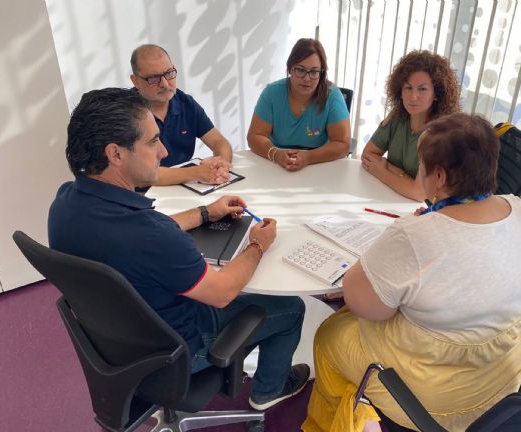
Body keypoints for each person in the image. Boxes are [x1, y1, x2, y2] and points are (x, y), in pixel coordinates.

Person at [48, 88, 310, 411]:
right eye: (152, 141)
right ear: (115, 154)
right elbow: (223, 292)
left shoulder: (63, 204)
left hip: (116, 341)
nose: (163, 150)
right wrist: (258, 243)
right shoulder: (152, 237)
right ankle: (269, 390)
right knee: (292, 307)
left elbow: (138, 235)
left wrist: (204, 213)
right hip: (180, 349)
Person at [302, 113, 521, 432]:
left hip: (437, 397)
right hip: (503, 378)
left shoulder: (414, 234)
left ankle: (347, 422)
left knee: (332, 334)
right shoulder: (518, 210)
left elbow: (363, 305)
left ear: (439, 177)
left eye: (423, 166)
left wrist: (411, 237)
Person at [361, 50, 460, 201]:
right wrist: (404, 178)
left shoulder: (440, 133)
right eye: (408, 88)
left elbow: (419, 194)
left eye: (422, 89)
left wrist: (382, 170)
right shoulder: (397, 116)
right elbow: (368, 156)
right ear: (400, 91)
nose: (413, 97)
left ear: (436, 93)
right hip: (391, 198)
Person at [130, 44, 233, 186]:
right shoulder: (125, 112)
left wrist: (222, 164)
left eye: (169, 73)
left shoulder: (185, 103)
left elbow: (219, 142)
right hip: (143, 194)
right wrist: (197, 172)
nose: (165, 84)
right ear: (135, 81)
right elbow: (143, 175)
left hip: (183, 186)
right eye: (154, 78)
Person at [247, 38, 351, 171]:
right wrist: (276, 154)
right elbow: (254, 137)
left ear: (322, 73)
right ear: (290, 69)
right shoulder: (272, 93)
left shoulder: (333, 96)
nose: (307, 78)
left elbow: (343, 144)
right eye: (301, 70)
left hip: (319, 163)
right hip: (277, 163)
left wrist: (309, 157)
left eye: (314, 72)